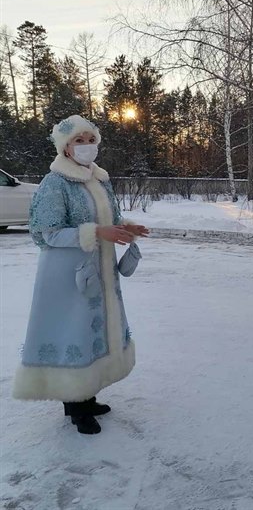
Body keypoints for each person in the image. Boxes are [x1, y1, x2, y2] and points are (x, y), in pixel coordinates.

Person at [12, 115, 149, 435]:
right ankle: (74, 405)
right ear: (65, 147)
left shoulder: (99, 179)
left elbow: (111, 219)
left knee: (91, 332)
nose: (87, 146)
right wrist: (97, 232)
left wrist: (127, 228)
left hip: (98, 271)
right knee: (72, 332)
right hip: (67, 275)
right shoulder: (55, 183)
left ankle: (86, 395)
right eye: (79, 141)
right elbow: (47, 234)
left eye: (91, 140)